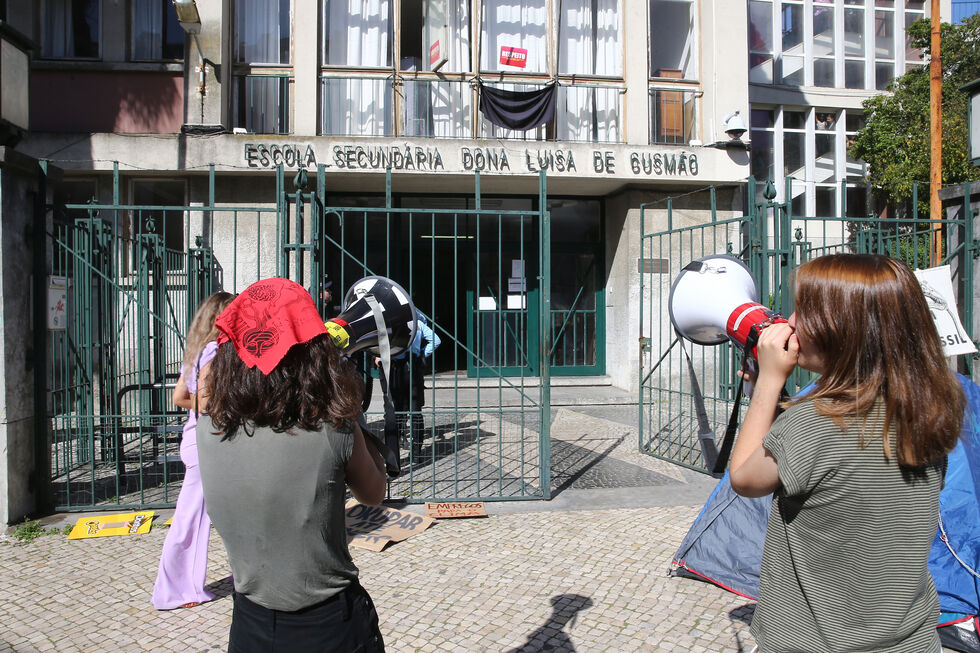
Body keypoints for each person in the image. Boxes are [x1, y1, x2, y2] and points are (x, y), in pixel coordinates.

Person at [729, 254, 965, 652]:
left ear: (844, 331)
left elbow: (744, 478)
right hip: (909, 640)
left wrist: (768, 383)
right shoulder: (929, 409)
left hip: (814, 643)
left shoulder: (815, 424)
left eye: (804, 312)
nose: (790, 322)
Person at [196, 278, 387, 653]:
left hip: (250, 625)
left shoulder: (209, 426)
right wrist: (346, 404)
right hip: (331, 626)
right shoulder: (333, 427)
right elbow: (374, 493)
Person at [151, 290, 235, 610]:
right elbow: (202, 400)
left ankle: (183, 587)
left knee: (193, 519)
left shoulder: (200, 350)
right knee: (191, 521)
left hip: (195, 440)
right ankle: (178, 590)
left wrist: (203, 409)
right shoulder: (214, 352)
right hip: (205, 444)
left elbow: (181, 398)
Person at [379, 313, 441, 461]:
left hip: (394, 368)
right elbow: (436, 340)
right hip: (412, 367)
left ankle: (396, 447)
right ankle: (416, 451)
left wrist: (380, 358)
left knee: (396, 410)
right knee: (415, 411)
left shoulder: (390, 323)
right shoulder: (418, 324)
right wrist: (421, 355)